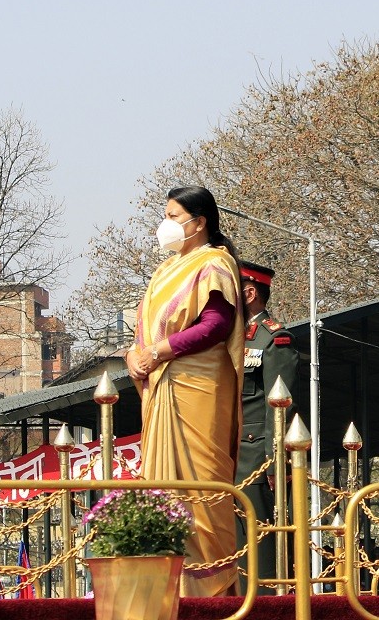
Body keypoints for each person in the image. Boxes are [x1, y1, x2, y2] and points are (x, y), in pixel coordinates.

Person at [124, 186, 246, 597]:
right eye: (167, 215)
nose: (168, 225)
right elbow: (145, 330)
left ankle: (213, 589)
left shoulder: (215, 263)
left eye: (175, 217)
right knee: (162, 487)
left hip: (198, 386)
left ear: (200, 222)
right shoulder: (165, 270)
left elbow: (215, 326)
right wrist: (135, 357)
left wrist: (159, 351)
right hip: (161, 383)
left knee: (201, 489)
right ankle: (167, 584)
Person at [234, 260, 303, 594]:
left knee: (257, 540)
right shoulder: (230, 339)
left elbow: (280, 406)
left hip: (255, 453)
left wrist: (274, 460)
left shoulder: (275, 339)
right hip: (226, 452)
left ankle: (262, 605)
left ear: (248, 293)